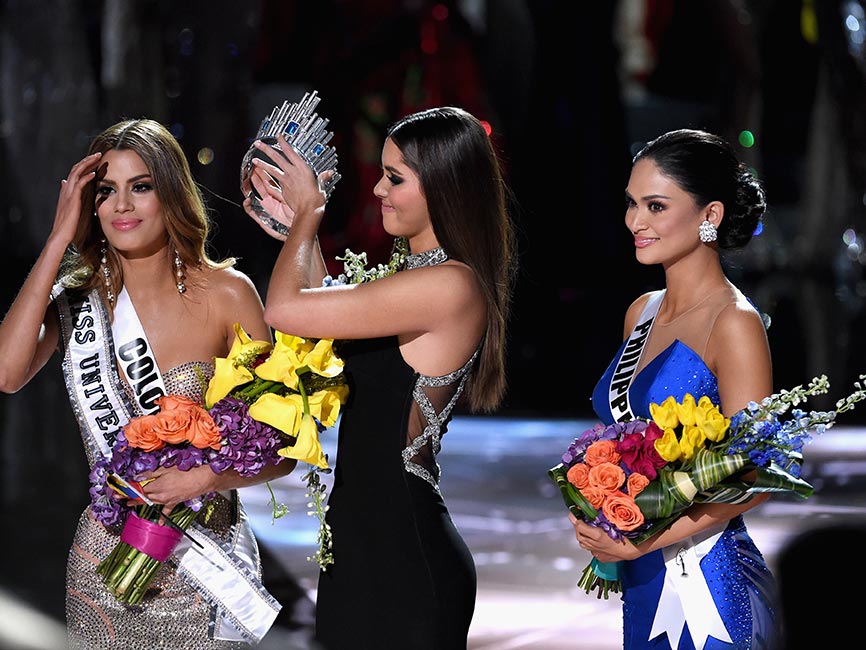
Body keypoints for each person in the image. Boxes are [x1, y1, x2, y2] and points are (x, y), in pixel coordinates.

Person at [0, 118, 296, 649]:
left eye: (141, 187)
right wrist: (56, 240)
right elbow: (6, 373)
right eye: (106, 192)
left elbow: (282, 448)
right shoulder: (77, 303)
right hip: (103, 569)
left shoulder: (229, 294)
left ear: (171, 194)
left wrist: (203, 478)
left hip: (205, 564)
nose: (122, 206)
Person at [242, 106, 517, 649]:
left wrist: (306, 218)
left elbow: (285, 311)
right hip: (359, 548)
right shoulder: (413, 278)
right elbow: (324, 321)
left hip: (404, 560)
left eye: (396, 178)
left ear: (442, 185)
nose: (378, 189)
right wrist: (298, 227)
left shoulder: (450, 286)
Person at [570, 129, 777, 649]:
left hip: (708, 578)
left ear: (709, 215)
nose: (635, 222)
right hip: (643, 576)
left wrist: (644, 541)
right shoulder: (640, 312)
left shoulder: (734, 322)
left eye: (656, 206)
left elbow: (754, 475)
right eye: (631, 204)